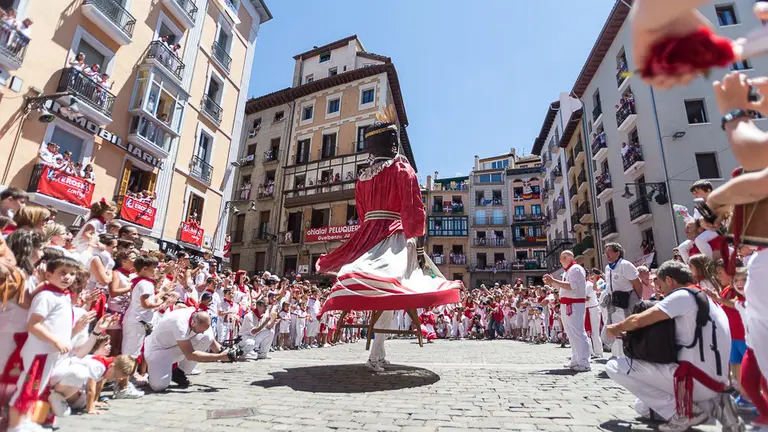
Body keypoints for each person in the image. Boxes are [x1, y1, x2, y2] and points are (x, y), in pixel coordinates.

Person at [314, 106, 462, 372]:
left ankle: (377, 352)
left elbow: (362, 213)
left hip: (367, 234)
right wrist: (415, 237)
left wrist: (366, 234)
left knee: (388, 290)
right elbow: (413, 206)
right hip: (394, 231)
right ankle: (375, 354)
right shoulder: (402, 168)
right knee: (395, 286)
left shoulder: (362, 178)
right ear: (392, 143)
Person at [605, 260, 734, 432]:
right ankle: (689, 407)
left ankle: (684, 413)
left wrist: (616, 328)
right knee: (643, 408)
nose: (659, 289)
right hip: (715, 381)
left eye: (660, 283)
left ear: (670, 280)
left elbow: (639, 319)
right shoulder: (707, 299)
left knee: (614, 366)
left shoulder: (682, 296)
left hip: (696, 381)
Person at [6, 257, 80, 432]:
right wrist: (55, 341)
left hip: (49, 353)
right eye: (62, 273)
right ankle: (15, 426)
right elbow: (33, 324)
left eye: (71, 274)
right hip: (39, 351)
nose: (67, 277)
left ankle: (24, 421)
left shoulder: (63, 295)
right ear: (49, 274)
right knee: (27, 388)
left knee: (36, 389)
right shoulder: (46, 296)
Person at [143, 307, 230, 392]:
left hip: (176, 346)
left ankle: (179, 372)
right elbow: (190, 355)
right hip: (158, 350)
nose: (202, 332)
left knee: (206, 337)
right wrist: (219, 357)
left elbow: (212, 341)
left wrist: (227, 352)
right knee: (159, 387)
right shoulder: (180, 323)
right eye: (200, 330)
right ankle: (152, 370)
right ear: (193, 323)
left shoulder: (201, 318)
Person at [543, 251, 590, 372]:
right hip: (567, 304)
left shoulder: (576, 269)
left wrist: (554, 280)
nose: (560, 261)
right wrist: (552, 282)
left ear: (565, 258)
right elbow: (562, 287)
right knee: (571, 333)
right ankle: (576, 359)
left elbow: (571, 286)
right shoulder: (568, 271)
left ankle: (584, 362)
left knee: (578, 332)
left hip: (574, 304)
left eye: (561, 259)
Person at [603, 242, 642, 357]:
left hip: (625, 301)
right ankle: (617, 355)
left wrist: (637, 300)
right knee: (614, 329)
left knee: (626, 329)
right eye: (606, 253)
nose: (607, 255)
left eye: (609, 252)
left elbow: (637, 284)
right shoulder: (607, 268)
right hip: (613, 302)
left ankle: (628, 355)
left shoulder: (625, 265)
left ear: (617, 253)